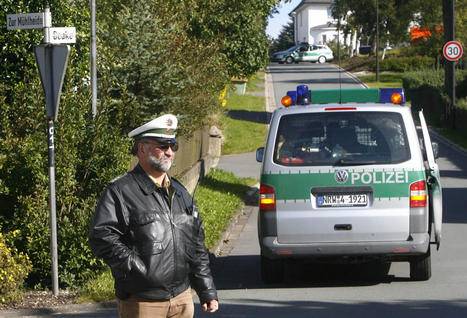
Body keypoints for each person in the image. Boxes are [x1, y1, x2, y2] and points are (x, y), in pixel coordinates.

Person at [89, 114, 219, 318]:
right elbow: (101, 237)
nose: (169, 152)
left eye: (172, 146)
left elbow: (196, 244)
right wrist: (139, 270)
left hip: (182, 299)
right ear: (142, 148)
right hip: (143, 301)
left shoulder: (180, 192)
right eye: (162, 146)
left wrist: (206, 290)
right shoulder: (120, 191)